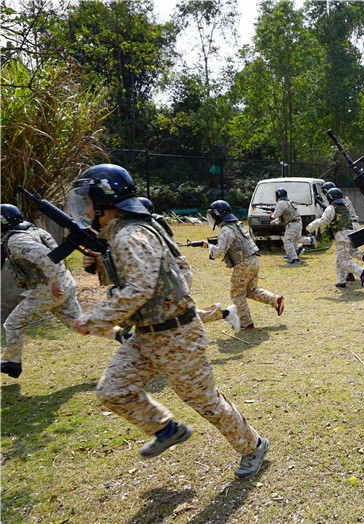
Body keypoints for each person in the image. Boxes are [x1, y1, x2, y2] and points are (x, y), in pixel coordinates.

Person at [66, 164, 269, 477]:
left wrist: (92, 320)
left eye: (89, 201)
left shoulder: (130, 235)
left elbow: (139, 288)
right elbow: (140, 279)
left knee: (207, 404)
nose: (86, 208)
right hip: (146, 335)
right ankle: (166, 429)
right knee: (113, 390)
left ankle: (254, 446)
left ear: (104, 200)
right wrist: (101, 266)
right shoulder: (123, 233)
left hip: (178, 335)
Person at [1, 204, 82, 379]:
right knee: (79, 324)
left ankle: (12, 363)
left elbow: (46, 256)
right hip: (65, 282)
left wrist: (53, 281)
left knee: (14, 323)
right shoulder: (35, 231)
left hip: (49, 288)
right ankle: (119, 334)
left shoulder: (16, 240)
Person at [135, 196, 238, 331]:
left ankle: (225, 314)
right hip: (172, 273)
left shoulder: (152, 225)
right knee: (173, 314)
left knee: (176, 315)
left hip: (174, 274)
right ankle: (225, 314)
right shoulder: (151, 224)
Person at [201, 200, 284, 331]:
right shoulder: (237, 225)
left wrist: (209, 247)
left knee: (236, 294)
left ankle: (246, 324)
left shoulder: (226, 230)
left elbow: (218, 252)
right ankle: (276, 300)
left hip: (243, 263)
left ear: (217, 215)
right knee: (251, 290)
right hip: (253, 259)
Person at [307, 188, 364, 289]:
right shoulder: (344, 206)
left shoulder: (332, 208)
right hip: (349, 234)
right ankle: (341, 281)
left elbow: (324, 220)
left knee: (343, 261)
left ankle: (361, 272)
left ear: (330, 197)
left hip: (342, 236)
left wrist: (311, 227)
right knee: (339, 260)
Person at [320, 181, 364, 280]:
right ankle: (363, 260)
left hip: (349, 226)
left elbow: (332, 211)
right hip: (353, 225)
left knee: (344, 251)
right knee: (350, 250)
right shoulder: (342, 198)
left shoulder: (339, 201)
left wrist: (321, 203)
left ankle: (352, 273)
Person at [270, 188, 304, 264]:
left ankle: (294, 258)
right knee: (294, 240)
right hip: (297, 222)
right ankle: (292, 254)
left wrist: (271, 214)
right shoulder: (289, 202)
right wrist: (275, 222)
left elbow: (276, 215)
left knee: (287, 241)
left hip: (292, 224)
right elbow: (283, 217)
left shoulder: (281, 203)